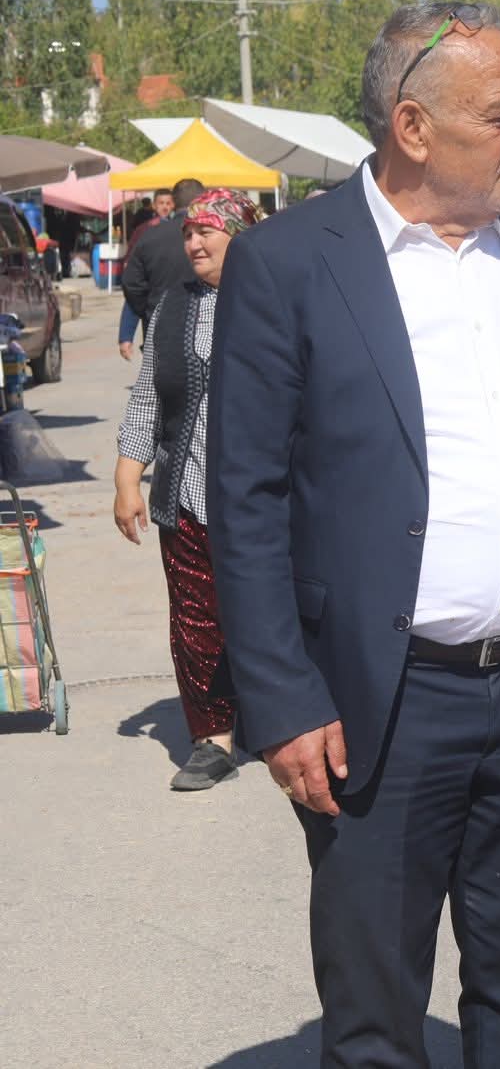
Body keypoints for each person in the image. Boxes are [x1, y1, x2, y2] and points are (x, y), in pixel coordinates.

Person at [208, 1, 500, 1068]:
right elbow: (248, 497)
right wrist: (283, 700)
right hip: (382, 704)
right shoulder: (289, 262)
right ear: (413, 127)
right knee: (376, 1021)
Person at [112, 189, 260, 791]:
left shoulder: (274, 302)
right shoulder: (172, 305)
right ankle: (213, 736)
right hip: (187, 492)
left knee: (268, 615)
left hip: (263, 498)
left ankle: (279, 714)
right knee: (196, 617)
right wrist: (128, 478)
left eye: (207, 233)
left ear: (239, 234)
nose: (194, 244)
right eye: (188, 234)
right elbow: (148, 395)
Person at [120, 181, 202, 361]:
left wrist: (149, 309)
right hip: (202, 331)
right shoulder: (212, 234)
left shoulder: (148, 236)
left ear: (174, 202)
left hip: (159, 331)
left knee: (162, 385)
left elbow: (132, 283)